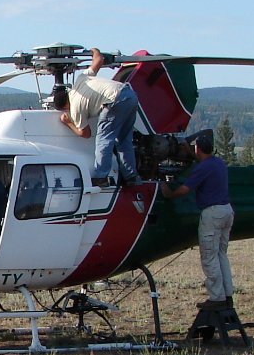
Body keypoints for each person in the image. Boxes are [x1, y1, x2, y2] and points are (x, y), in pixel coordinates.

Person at [161, 132, 235, 310]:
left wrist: (169, 193)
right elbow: (202, 161)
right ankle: (227, 294)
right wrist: (191, 153)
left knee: (209, 256)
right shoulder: (218, 163)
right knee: (221, 255)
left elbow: (186, 189)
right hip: (227, 211)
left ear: (198, 148)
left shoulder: (202, 168)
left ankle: (216, 298)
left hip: (212, 214)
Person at [54, 47, 140, 186]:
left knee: (104, 140)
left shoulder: (75, 107)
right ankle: (131, 176)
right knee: (124, 140)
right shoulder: (81, 80)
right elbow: (99, 60)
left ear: (65, 107)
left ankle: (101, 177)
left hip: (113, 101)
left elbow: (85, 133)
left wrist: (68, 123)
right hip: (130, 95)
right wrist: (95, 51)